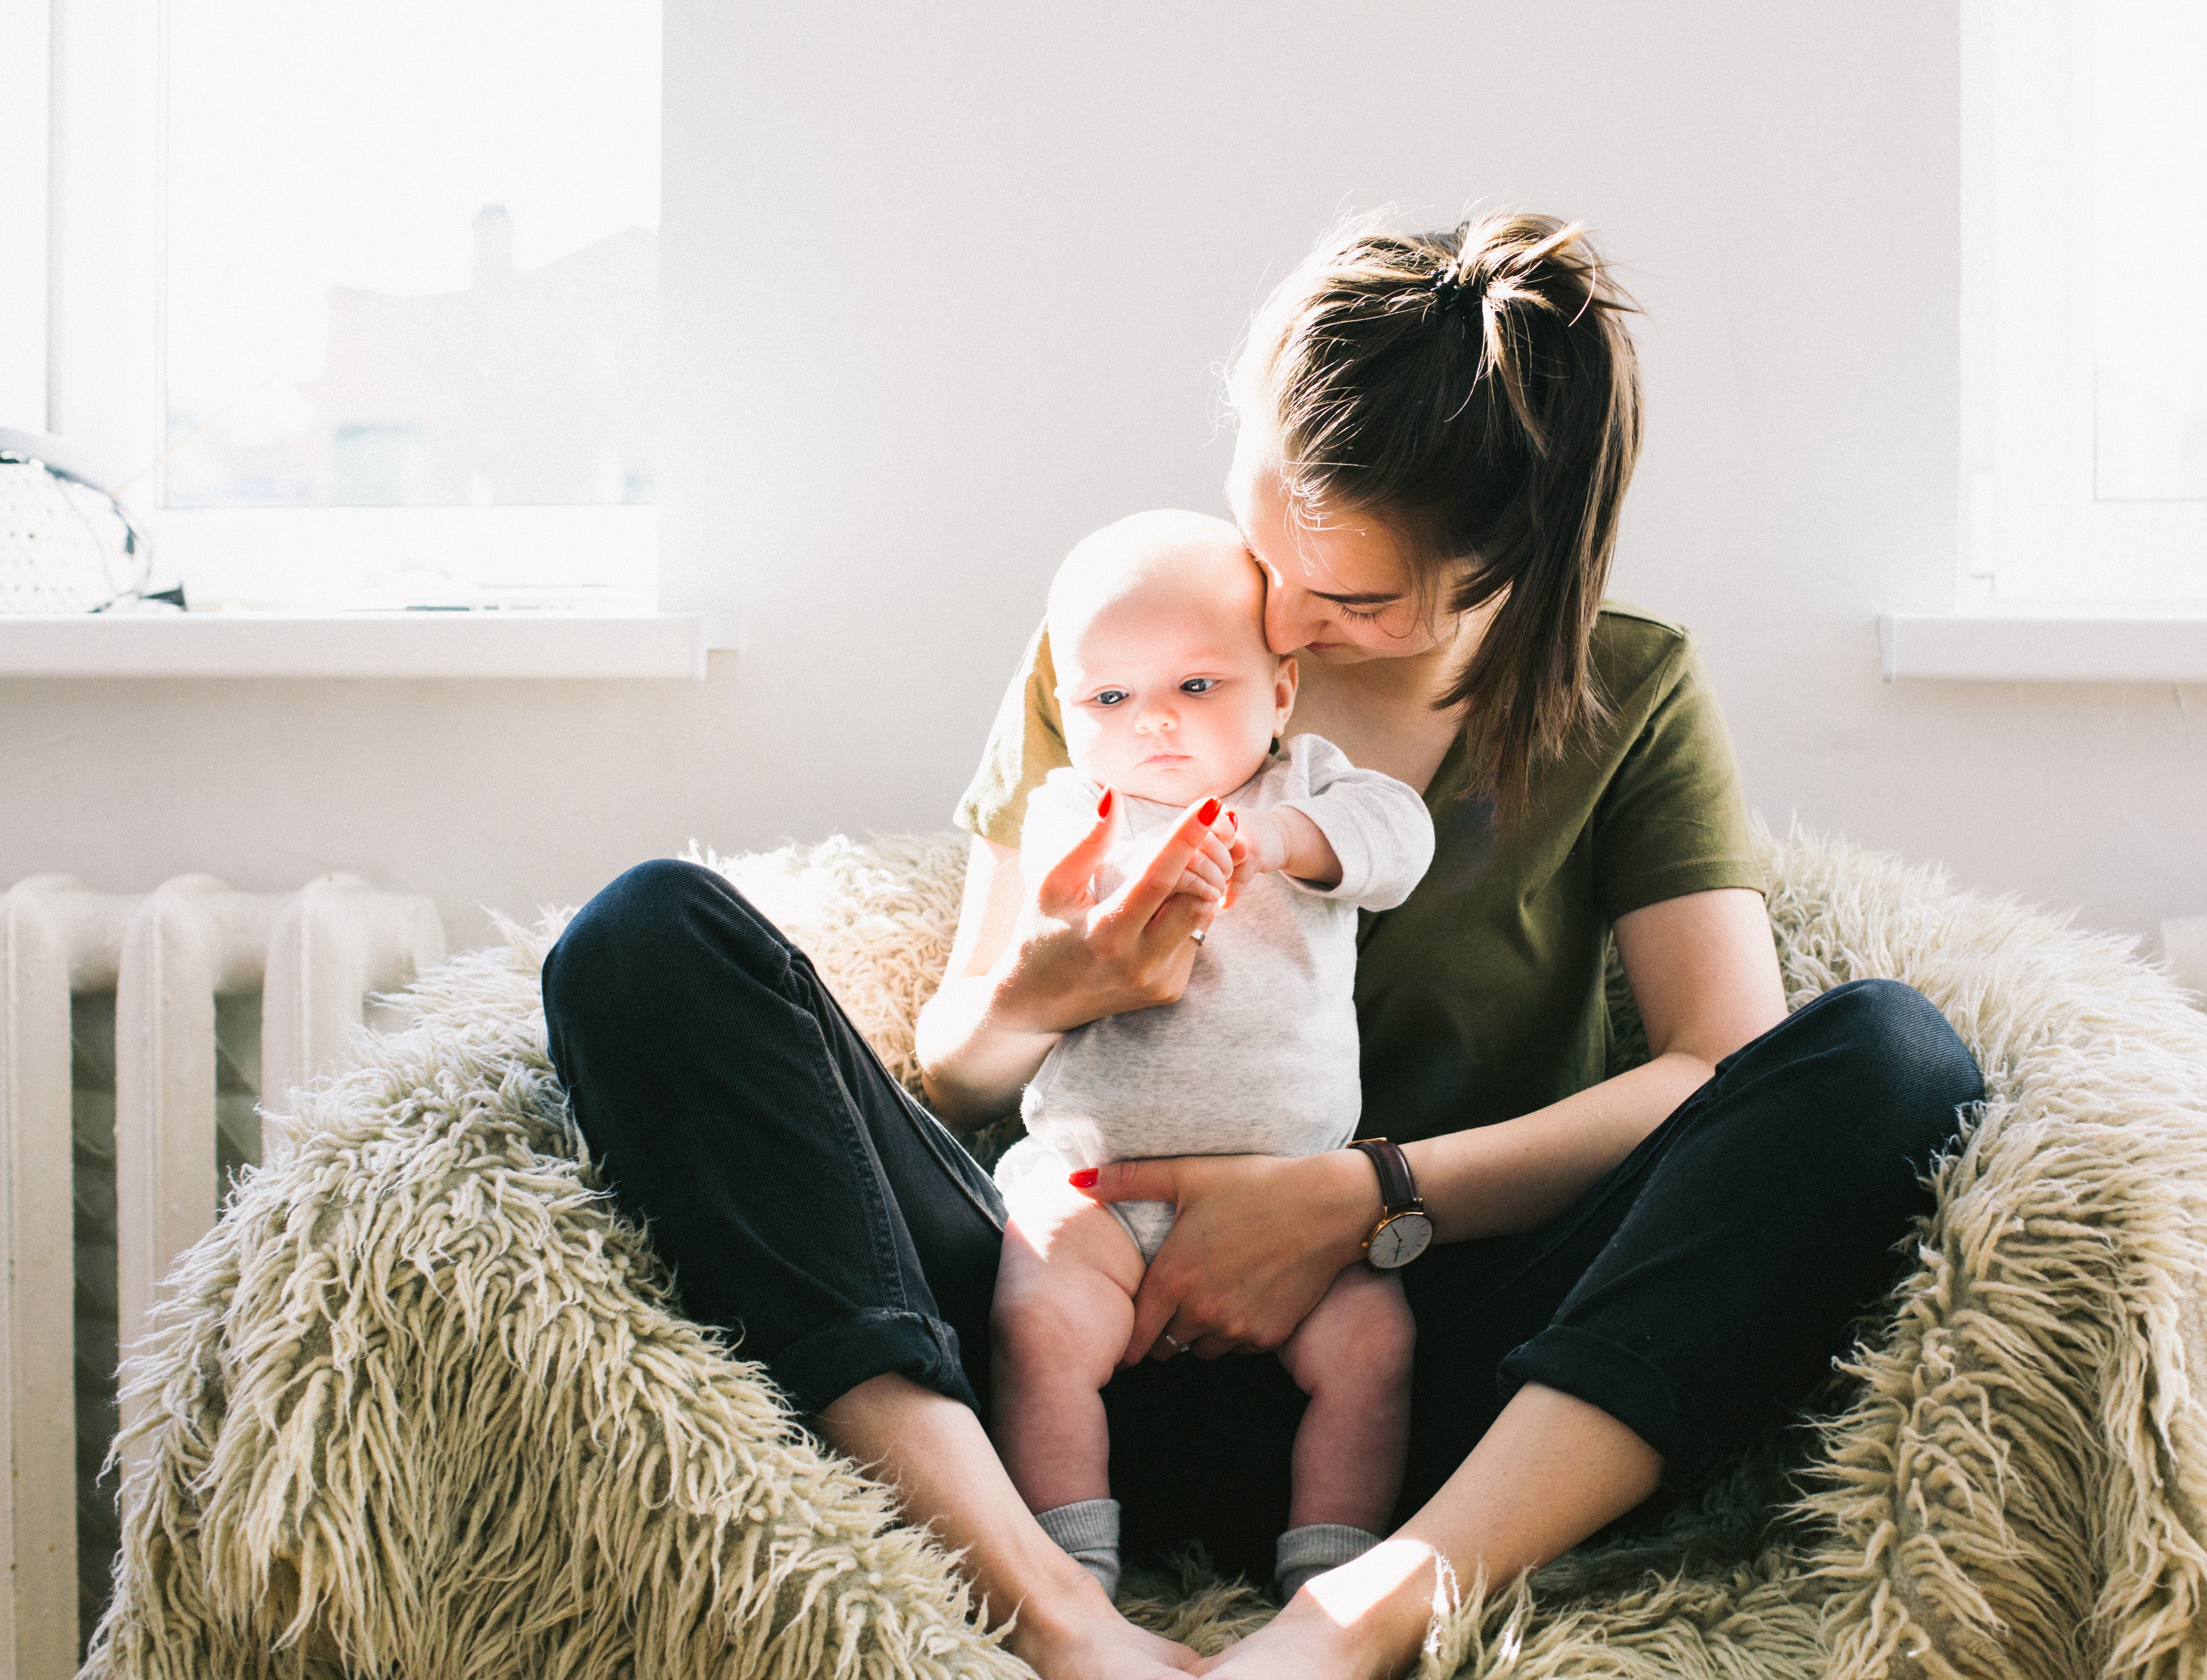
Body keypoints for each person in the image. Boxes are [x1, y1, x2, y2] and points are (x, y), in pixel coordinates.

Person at [541, 211, 1985, 1680]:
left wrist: (1361, 1199)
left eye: (1351, 600)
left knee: (1891, 1059)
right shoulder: (1133, 640)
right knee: (641, 941)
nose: (1278, 618)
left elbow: (1710, 1067)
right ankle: (1042, 1602)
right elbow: (955, 1078)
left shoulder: (1627, 691)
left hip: (1419, 1377)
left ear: (1505, 565)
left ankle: (1357, 1619)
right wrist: (1050, 990)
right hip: (1058, 1327)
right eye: (1263, 531)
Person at [986, 509, 1434, 1605]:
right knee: (1032, 1327)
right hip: (1098, 1191)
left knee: (1375, 1347)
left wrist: (1282, 842)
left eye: (1198, 687)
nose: (1155, 726)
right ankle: (1071, 1570)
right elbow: (1044, 897)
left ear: (1280, 692)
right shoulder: (1075, 808)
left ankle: (1327, 1575)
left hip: (1298, 1201)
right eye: (1111, 698)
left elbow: (1401, 841)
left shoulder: (1306, 790)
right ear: (1065, 708)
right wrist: (1090, 876)